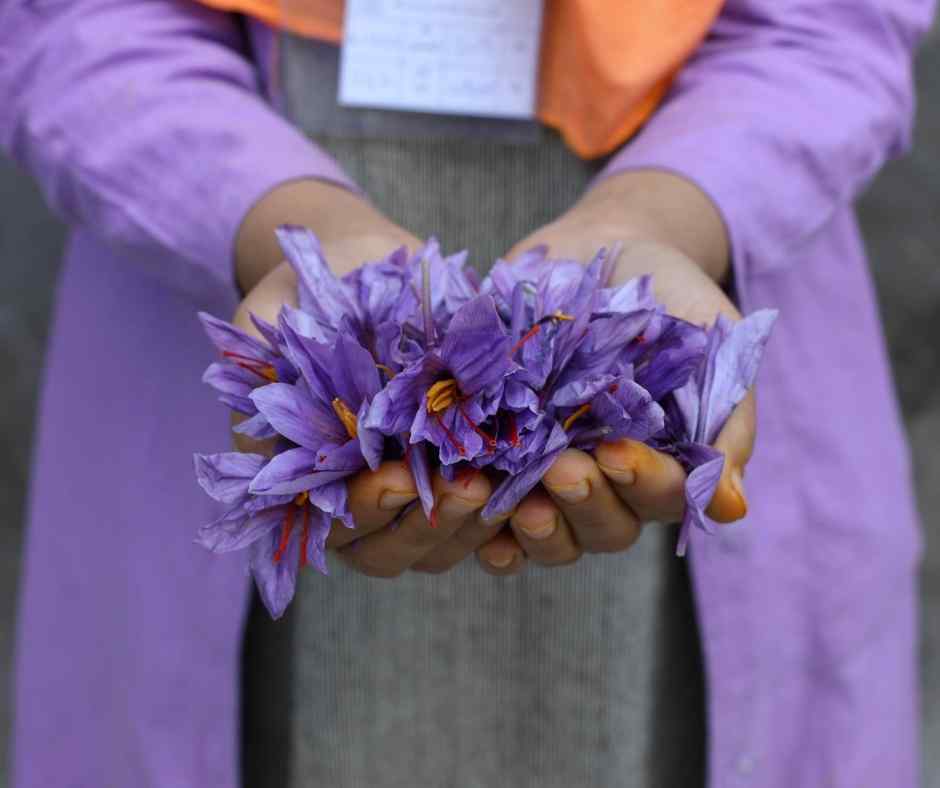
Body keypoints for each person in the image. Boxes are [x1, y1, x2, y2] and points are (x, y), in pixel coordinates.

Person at [0, 1, 932, 786]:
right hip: (235, 214)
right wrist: (289, 229)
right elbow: (74, 22)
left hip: (695, 212)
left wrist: (659, 224)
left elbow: (829, 23)